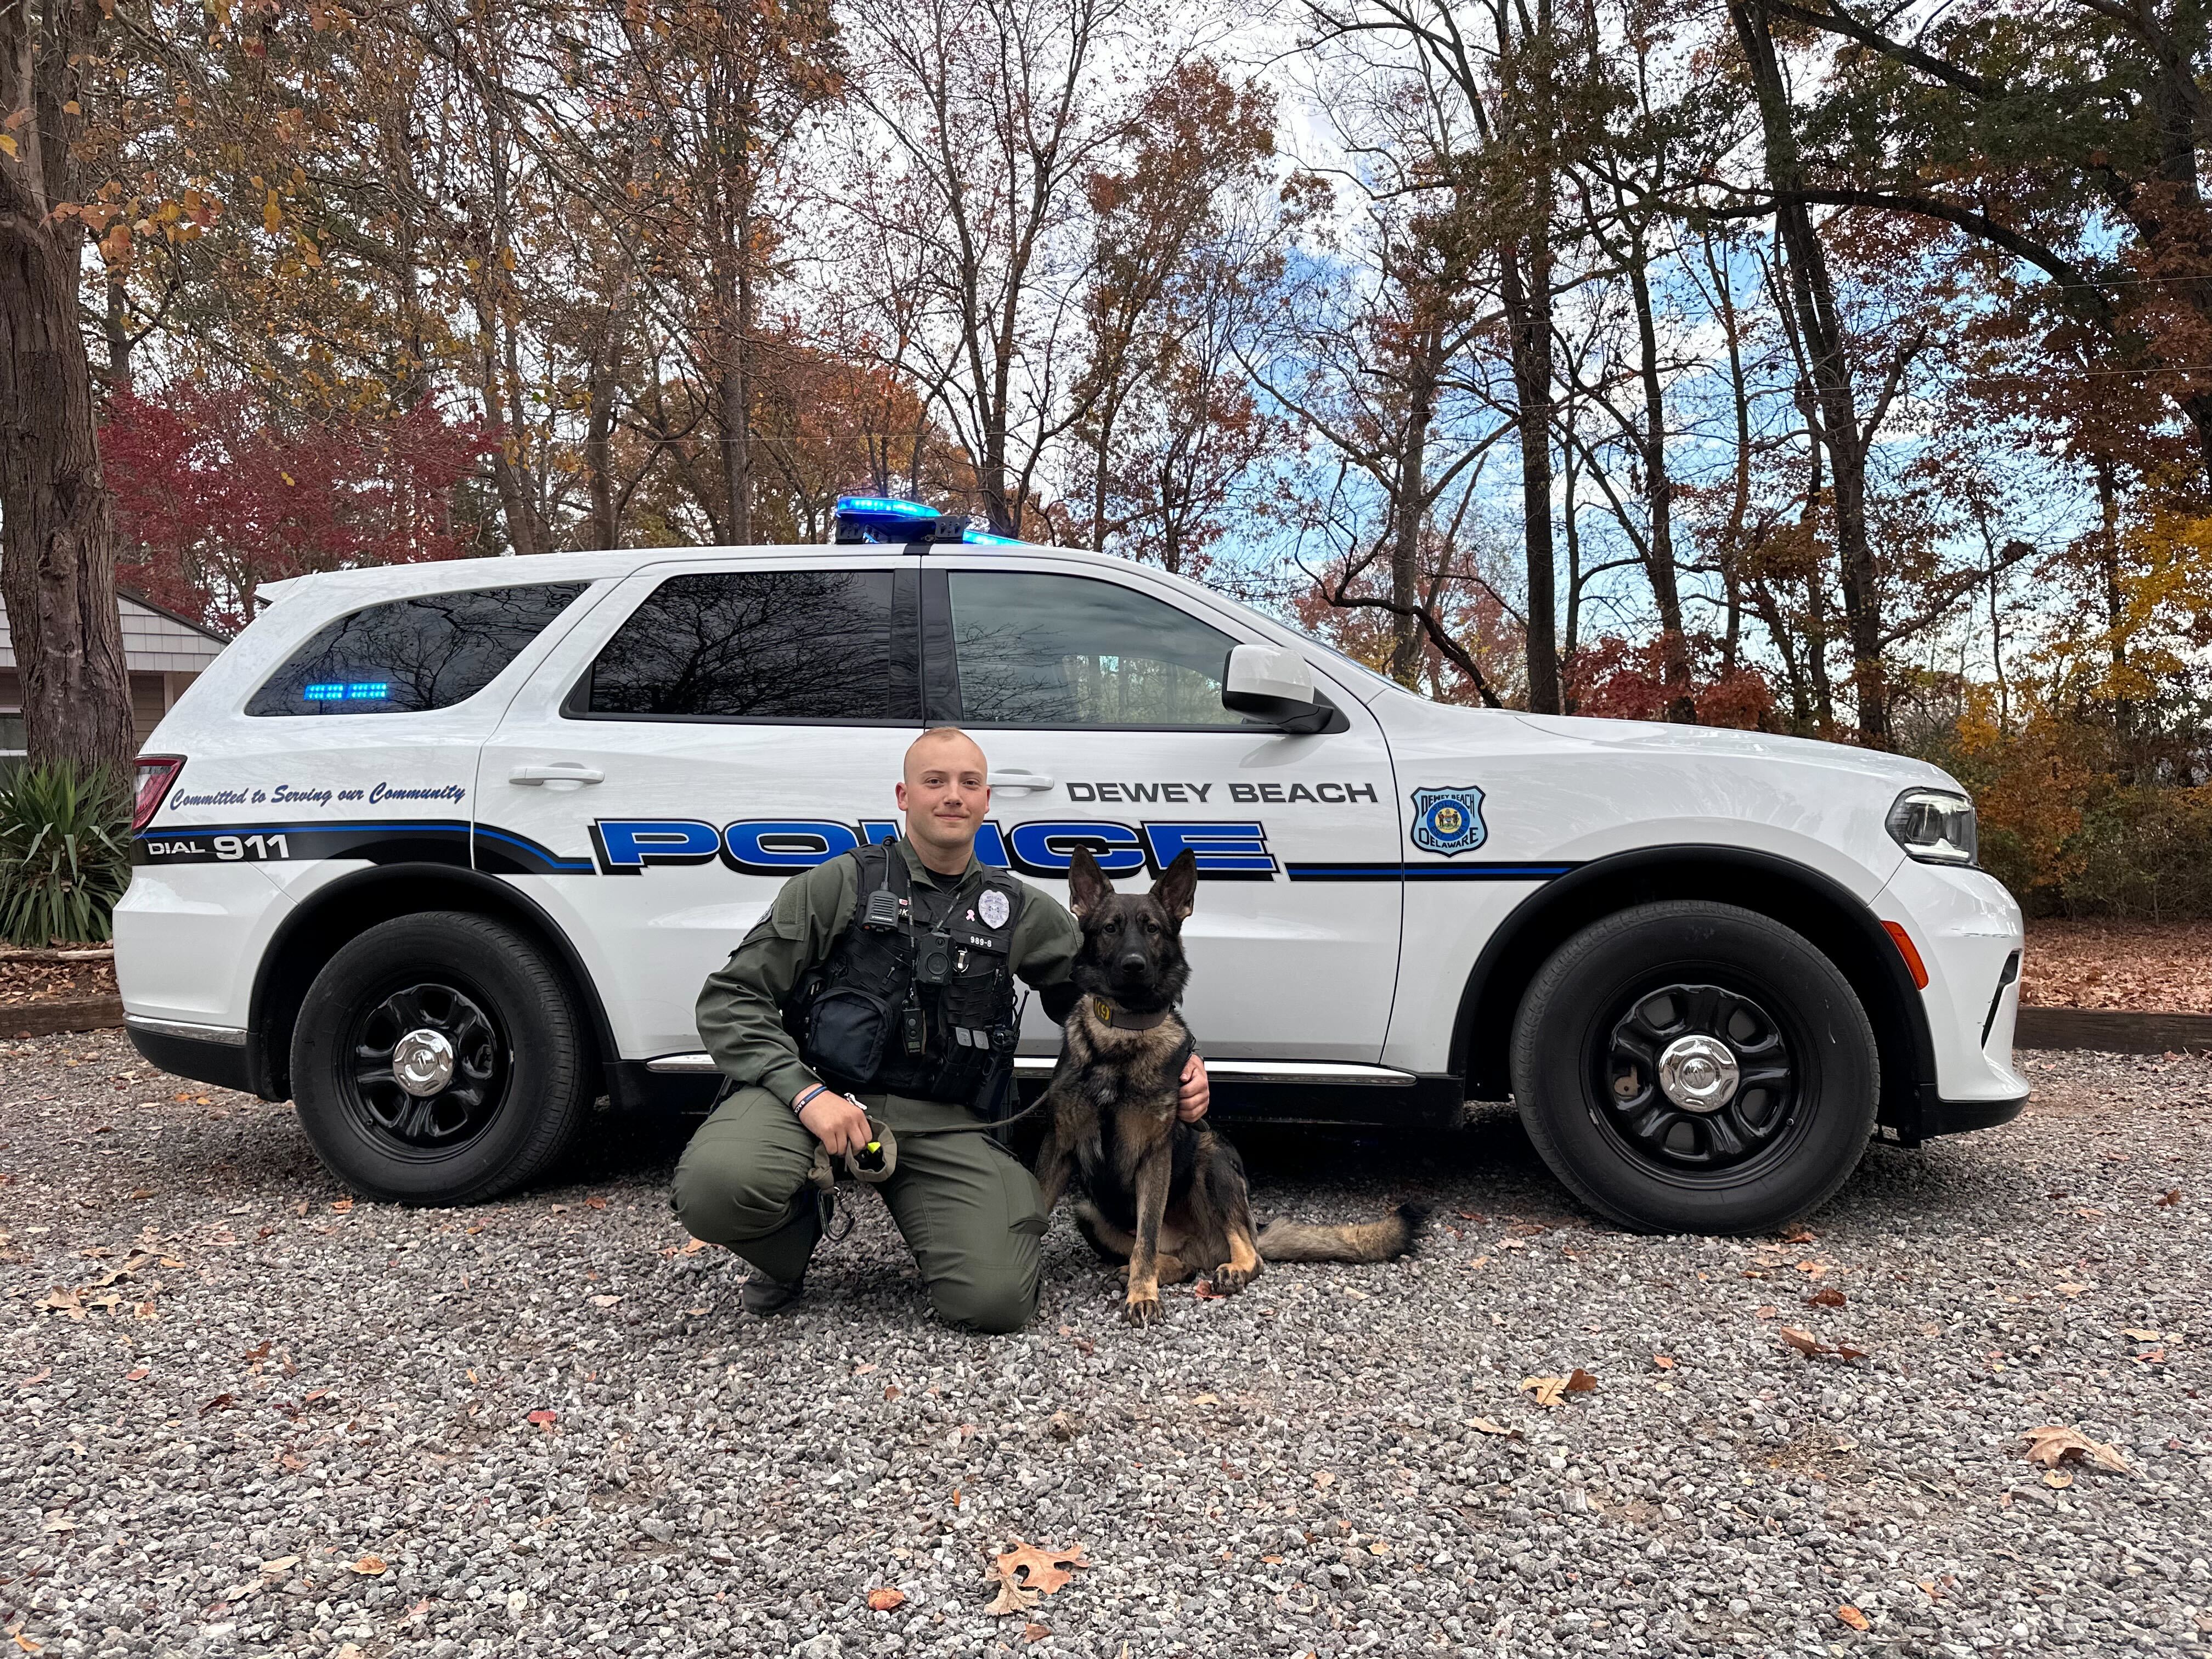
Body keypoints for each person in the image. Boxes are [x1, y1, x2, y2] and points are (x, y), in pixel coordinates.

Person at [674, 726, 1211, 1332]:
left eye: (969, 783)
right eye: (935, 781)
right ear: (904, 796)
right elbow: (731, 999)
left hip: (945, 1118)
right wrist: (806, 1095)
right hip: (816, 1096)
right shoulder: (838, 884)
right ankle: (788, 1239)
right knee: (718, 1185)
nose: (953, 795)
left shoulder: (1021, 910)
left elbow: (1112, 992)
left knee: (996, 1299)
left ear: (986, 801)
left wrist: (1182, 1062)